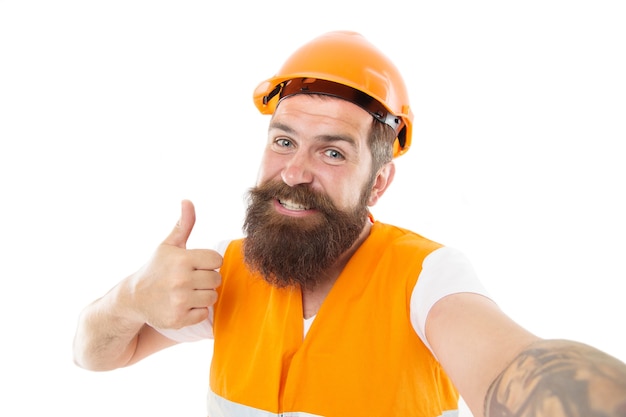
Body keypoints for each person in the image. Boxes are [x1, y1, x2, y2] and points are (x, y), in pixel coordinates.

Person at [73, 30, 626, 417]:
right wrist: (129, 298)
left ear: (379, 183)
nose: (294, 172)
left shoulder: (427, 278)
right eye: (284, 141)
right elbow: (93, 355)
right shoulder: (227, 270)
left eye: (332, 154)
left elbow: (513, 369)